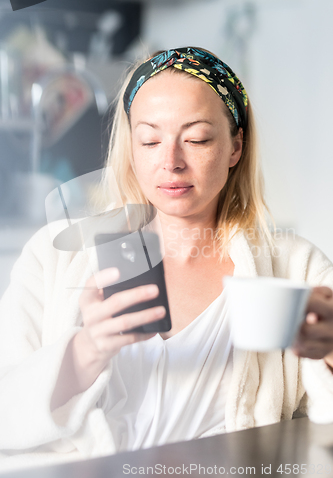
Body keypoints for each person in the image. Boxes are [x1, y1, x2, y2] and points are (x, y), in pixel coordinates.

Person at [1, 46, 333, 470]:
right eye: (150, 140)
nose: (171, 162)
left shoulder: (294, 267)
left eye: (196, 139)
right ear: (132, 148)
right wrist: (85, 351)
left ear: (235, 148)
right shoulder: (55, 257)